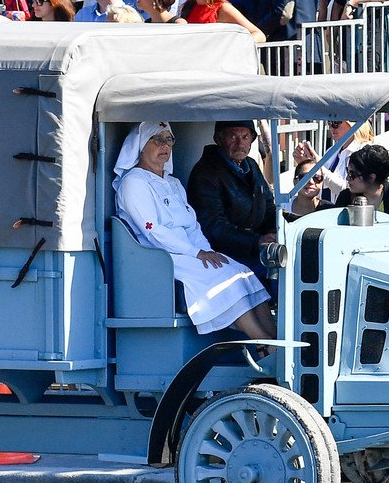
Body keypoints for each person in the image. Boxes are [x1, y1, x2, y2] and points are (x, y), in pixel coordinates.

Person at [114, 121, 276, 339]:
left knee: (243, 274)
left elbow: (193, 225)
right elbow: (154, 232)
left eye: (169, 139)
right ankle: (265, 343)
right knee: (226, 282)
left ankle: (277, 344)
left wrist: (205, 250)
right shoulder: (134, 182)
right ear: (141, 145)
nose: (165, 146)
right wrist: (196, 253)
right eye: (157, 139)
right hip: (163, 258)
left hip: (191, 252)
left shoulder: (173, 183)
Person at [186, 120, 279, 283]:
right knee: (279, 274)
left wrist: (281, 228)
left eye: (245, 137)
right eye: (233, 136)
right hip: (224, 255)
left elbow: (269, 207)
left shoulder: (250, 164)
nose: (240, 143)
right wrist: (256, 241)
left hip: (256, 249)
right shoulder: (205, 173)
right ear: (219, 139)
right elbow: (214, 227)